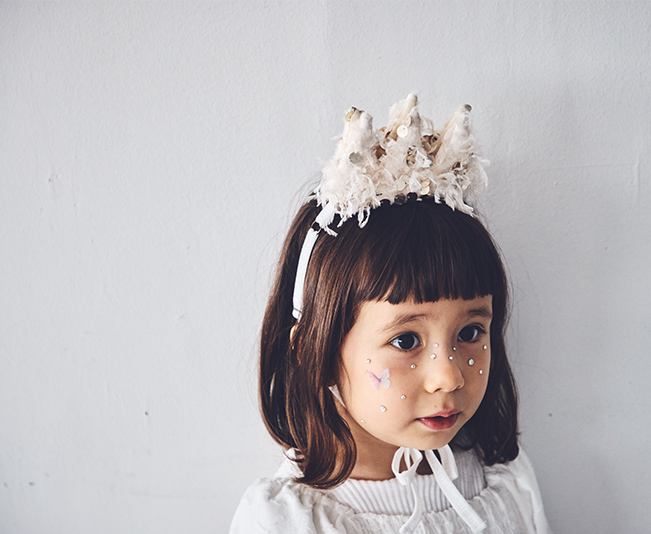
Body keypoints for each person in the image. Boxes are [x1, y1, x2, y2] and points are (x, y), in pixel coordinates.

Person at [231, 95, 552, 534]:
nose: (449, 377)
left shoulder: (506, 484)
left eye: (470, 332)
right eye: (405, 340)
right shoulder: (290, 522)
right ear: (313, 350)